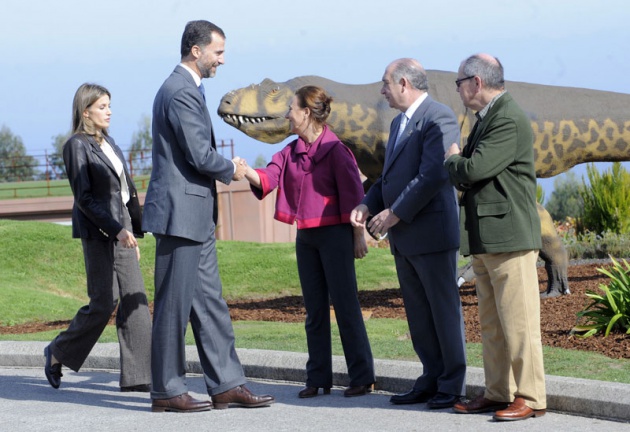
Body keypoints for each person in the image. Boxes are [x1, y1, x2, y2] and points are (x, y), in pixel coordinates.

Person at [142, 20, 274, 413]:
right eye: (218, 52)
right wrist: (232, 168)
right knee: (173, 307)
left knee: (209, 302)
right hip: (180, 215)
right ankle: (166, 391)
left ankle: (226, 384)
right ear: (195, 51)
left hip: (195, 215)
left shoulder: (188, 89)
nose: (222, 59)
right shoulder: (179, 90)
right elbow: (199, 154)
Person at [239, 85, 375, 398]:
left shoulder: (337, 151)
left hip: (337, 236)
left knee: (345, 306)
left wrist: (358, 237)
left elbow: (355, 199)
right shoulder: (290, 151)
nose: (287, 114)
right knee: (314, 310)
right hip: (307, 238)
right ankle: (318, 379)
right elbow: (268, 179)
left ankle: (362, 377)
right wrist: (246, 171)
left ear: (306, 113)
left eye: (291, 108)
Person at [350, 58, 466, 409]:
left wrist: (394, 213)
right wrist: (368, 203)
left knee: (443, 312)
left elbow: (433, 174)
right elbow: (389, 178)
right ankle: (430, 377)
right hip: (406, 238)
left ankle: (451, 383)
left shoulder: (438, 116)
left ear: (403, 83)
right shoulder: (400, 122)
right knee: (418, 313)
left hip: (430, 234)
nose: (382, 91)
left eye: (385, 84)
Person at [444, 53, 546, 421]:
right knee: (492, 324)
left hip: (510, 237)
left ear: (477, 82)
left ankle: (531, 397)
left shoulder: (508, 118)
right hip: (488, 238)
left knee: (518, 323)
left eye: (459, 82)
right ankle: (499, 391)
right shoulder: (488, 117)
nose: (456, 89)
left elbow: (474, 169)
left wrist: (452, 159)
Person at [44, 83, 152, 393]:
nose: (109, 111)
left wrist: (131, 231)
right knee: (104, 303)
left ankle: (139, 376)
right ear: (85, 110)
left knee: (136, 301)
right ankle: (57, 352)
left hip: (123, 232)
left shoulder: (109, 143)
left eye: (109, 105)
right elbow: (85, 199)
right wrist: (116, 230)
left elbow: (123, 191)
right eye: (103, 106)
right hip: (99, 233)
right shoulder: (76, 146)